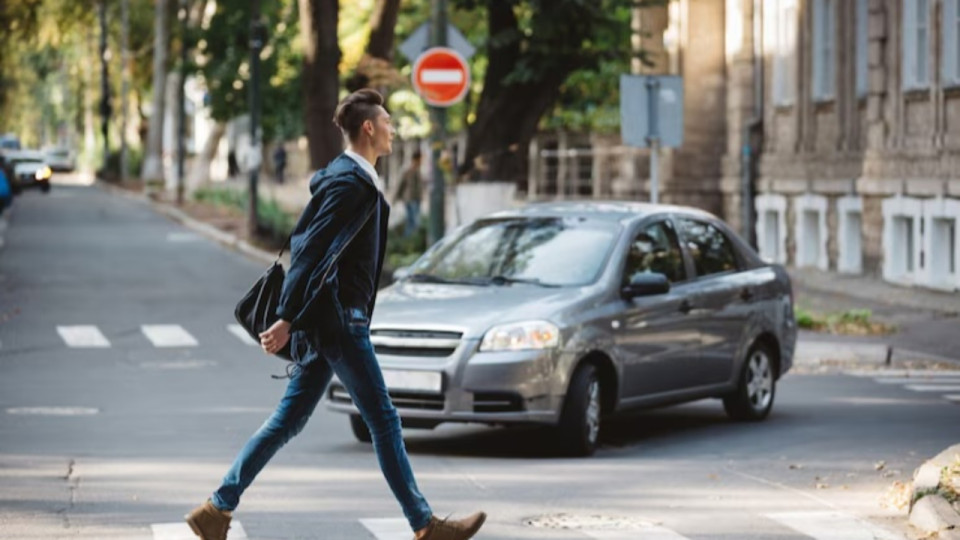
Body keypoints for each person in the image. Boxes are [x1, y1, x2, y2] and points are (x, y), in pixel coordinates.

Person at [184, 89, 486, 540]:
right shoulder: (349, 183)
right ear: (369, 128)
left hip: (331, 319)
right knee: (383, 419)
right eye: (386, 121)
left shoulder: (351, 177)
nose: (392, 128)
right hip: (341, 321)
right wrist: (286, 318)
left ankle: (216, 509)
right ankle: (424, 524)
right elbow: (310, 252)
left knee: (288, 420)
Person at [394, 149, 423, 236]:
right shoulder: (408, 171)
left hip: (417, 199)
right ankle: (407, 239)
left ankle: (411, 239)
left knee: (413, 221)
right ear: (415, 159)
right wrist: (395, 198)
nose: (421, 162)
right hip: (410, 199)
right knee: (413, 221)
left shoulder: (418, 171)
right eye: (420, 160)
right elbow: (401, 184)